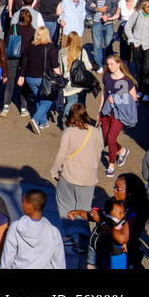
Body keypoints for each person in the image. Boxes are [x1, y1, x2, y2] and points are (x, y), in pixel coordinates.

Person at [50, 103, 104, 257]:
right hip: (89, 178)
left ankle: (69, 236)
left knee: (64, 204)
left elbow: (61, 154)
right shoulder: (95, 131)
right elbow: (99, 153)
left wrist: (54, 171)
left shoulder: (68, 132)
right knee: (84, 209)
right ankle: (83, 240)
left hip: (70, 175)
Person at [0, 189, 65, 269]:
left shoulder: (16, 227)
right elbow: (59, 262)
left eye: (23, 201)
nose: (22, 204)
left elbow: (7, 256)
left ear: (29, 206)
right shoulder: (53, 232)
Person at [98, 54, 139, 178]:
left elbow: (134, 99)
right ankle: (122, 151)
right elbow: (104, 94)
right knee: (106, 138)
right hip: (106, 111)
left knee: (111, 138)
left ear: (118, 64)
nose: (109, 66)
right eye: (108, 64)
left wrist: (116, 99)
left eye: (112, 64)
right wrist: (99, 110)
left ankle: (111, 166)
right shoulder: (106, 77)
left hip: (119, 113)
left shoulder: (126, 81)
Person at [18, 27, 61, 135]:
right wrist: (60, 77)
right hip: (43, 79)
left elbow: (24, 62)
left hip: (30, 78)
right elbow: (55, 67)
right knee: (48, 100)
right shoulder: (51, 48)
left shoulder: (30, 47)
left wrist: (22, 76)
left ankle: (43, 122)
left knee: (39, 99)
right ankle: (36, 119)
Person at [0, 8, 34, 118]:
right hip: (26, 58)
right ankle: (23, 108)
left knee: (10, 82)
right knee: (23, 82)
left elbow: (6, 43)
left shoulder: (13, 28)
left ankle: (5, 105)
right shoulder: (32, 31)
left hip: (12, 56)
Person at [60, 31, 99, 121]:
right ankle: (81, 120)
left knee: (71, 102)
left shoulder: (62, 52)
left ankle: (66, 117)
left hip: (69, 82)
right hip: (81, 81)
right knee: (81, 102)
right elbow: (88, 66)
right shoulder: (82, 51)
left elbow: (61, 68)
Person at [127, 0, 149, 102]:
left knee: (146, 70)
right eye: (147, 7)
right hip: (136, 45)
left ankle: (147, 92)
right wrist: (131, 39)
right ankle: (140, 89)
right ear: (143, 6)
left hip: (148, 46)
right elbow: (128, 27)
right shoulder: (136, 14)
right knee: (138, 69)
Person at [88, 0, 121, 67]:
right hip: (96, 21)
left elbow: (115, 6)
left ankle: (109, 65)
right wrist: (97, 9)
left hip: (108, 22)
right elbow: (88, 5)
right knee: (97, 46)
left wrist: (108, 14)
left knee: (108, 45)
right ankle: (99, 65)